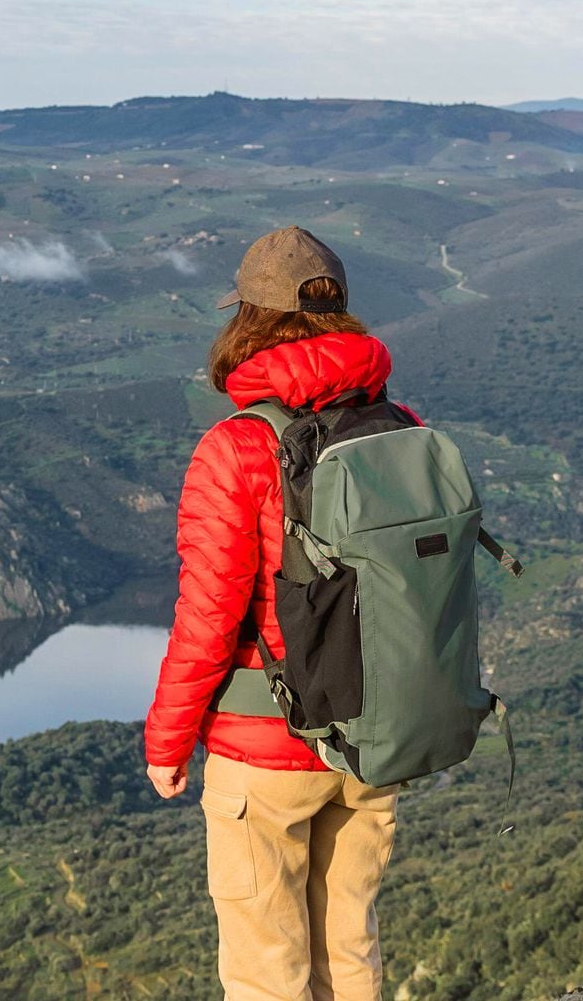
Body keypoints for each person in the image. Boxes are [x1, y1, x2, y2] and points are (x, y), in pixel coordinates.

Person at [145, 226, 410, 1001]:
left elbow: (208, 614)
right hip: (374, 737)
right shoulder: (400, 426)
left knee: (269, 971)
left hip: (265, 750)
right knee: (350, 951)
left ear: (247, 322)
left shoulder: (239, 447)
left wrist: (169, 741)